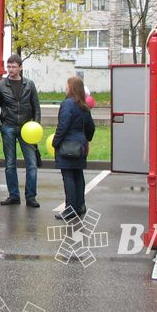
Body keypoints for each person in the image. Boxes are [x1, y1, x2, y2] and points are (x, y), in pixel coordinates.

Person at [0, 54, 42, 208]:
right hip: (8, 127)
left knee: (31, 164)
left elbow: (36, 107)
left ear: (20, 67)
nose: (11, 69)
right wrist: (0, 126)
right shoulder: (1, 85)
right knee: (10, 164)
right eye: (9, 66)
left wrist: (35, 126)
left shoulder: (29, 84)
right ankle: (14, 195)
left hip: (27, 129)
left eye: (14, 67)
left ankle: (31, 197)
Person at [52, 76, 96, 219]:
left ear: (71, 88)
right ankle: (80, 205)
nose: (66, 87)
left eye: (67, 85)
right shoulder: (83, 106)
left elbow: (63, 125)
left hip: (67, 146)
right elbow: (91, 127)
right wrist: (85, 139)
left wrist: (55, 142)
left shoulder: (68, 104)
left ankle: (70, 209)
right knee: (78, 175)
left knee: (68, 177)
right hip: (80, 145)